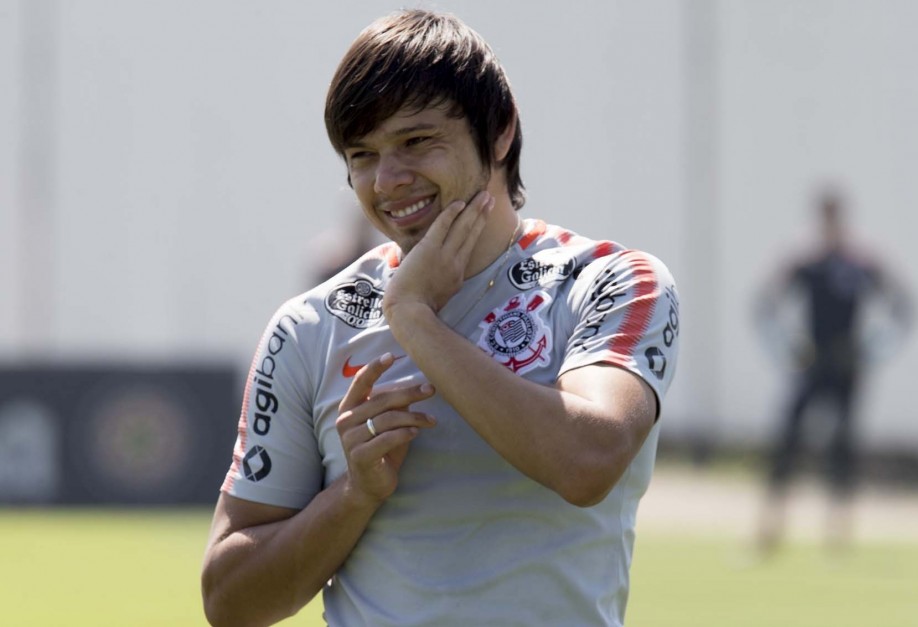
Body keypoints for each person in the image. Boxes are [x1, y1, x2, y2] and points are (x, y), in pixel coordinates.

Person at [201, 10, 679, 626]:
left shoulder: (612, 281)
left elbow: (586, 461)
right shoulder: (308, 327)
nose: (389, 180)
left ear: (500, 131)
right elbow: (230, 601)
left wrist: (415, 319)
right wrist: (353, 496)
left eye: (417, 141)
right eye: (363, 154)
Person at [754, 186, 912, 554]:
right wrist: (785, 347)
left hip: (846, 365)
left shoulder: (862, 262)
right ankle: (770, 529)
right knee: (788, 442)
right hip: (811, 364)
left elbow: (903, 306)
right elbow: (764, 304)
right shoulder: (805, 261)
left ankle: (838, 534)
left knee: (843, 445)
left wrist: (876, 348)